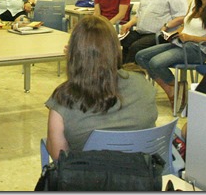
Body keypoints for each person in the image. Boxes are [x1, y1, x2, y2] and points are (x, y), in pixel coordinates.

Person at [44, 15, 157, 160]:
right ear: (116, 47)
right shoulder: (143, 84)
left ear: (73, 53)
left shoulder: (63, 98)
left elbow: (59, 157)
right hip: (141, 177)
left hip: (88, 180)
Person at [135, 0, 206, 102]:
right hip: (180, 43)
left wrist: (189, 37)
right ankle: (172, 88)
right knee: (140, 56)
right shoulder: (193, 5)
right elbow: (185, 25)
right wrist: (176, 33)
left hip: (197, 50)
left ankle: (175, 89)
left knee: (155, 63)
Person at [119, 0, 187, 64]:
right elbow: (138, 16)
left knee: (136, 47)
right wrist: (128, 24)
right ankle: (121, 72)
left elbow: (182, 17)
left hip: (159, 35)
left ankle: (132, 75)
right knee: (122, 42)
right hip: (140, 33)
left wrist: (166, 26)